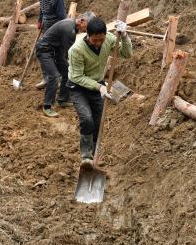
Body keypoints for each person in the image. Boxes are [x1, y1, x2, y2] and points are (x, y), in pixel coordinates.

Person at [68, 17, 133, 163]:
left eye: (101, 40)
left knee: (98, 122)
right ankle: (86, 156)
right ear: (87, 35)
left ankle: (94, 155)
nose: (98, 43)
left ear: (105, 35)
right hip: (78, 87)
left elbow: (127, 54)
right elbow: (77, 77)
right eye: (94, 40)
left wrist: (124, 36)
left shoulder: (109, 39)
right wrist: (100, 87)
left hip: (98, 85)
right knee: (87, 119)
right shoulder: (76, 50)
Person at [37, 11, 94, 118]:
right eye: (88, 27)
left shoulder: (73, 27)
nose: (88, 30)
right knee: (54, 76)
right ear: (82, 21)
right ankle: (47, 106)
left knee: (68, 72)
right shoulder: (69, 29)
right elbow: (70, 53)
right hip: (44, 50)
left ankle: (62, 100)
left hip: (56, 50)